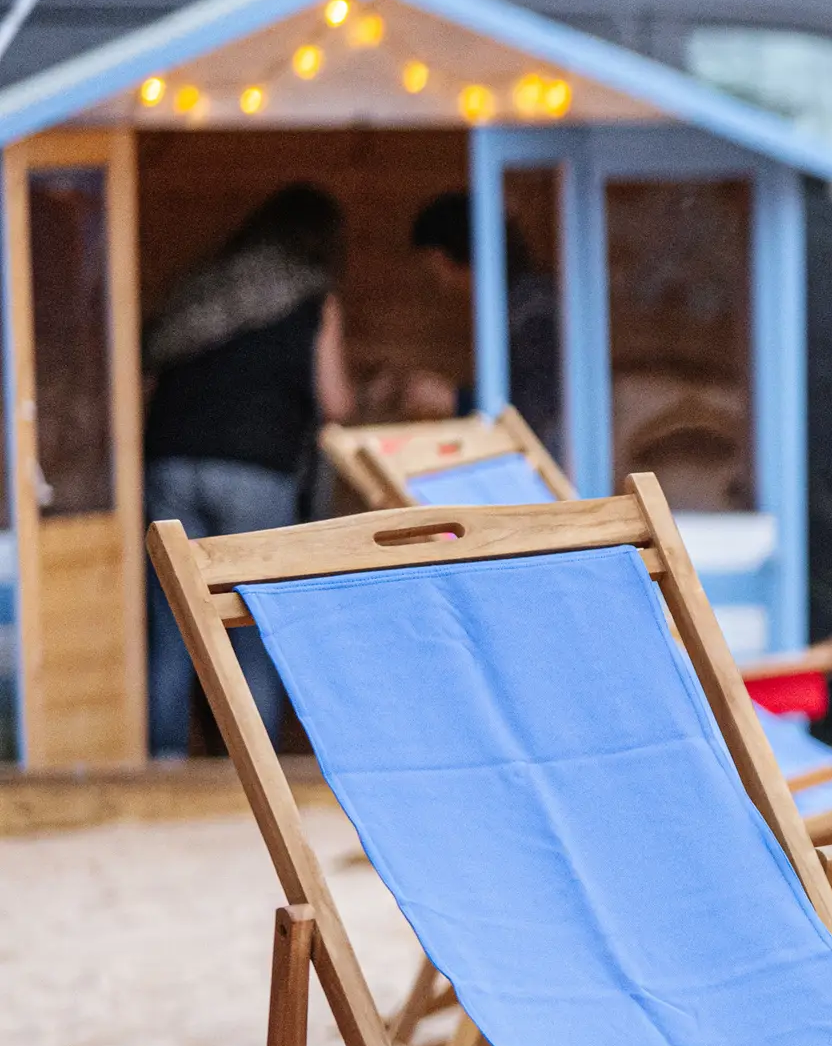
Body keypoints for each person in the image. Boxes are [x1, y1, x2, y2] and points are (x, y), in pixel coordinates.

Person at [142, 183, 354, 755]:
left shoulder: (205, 285)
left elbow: (149, 363)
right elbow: (334, 402)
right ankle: (252, 767)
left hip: (169, 458)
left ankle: (162, 768)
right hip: (256, 471)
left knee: (172, 625)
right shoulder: (313, 297)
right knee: (253, 624)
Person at [399, 193, 563, 453]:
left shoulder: (533, 312)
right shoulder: (514, 305)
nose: (442, 285)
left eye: (437, 269)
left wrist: (455, 401)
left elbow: (537, 408)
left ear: (459, 254)